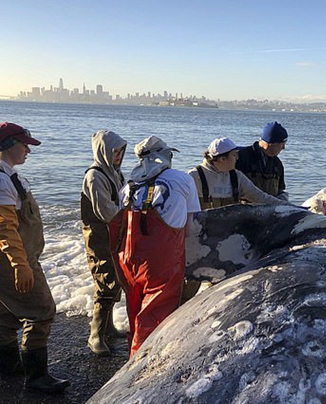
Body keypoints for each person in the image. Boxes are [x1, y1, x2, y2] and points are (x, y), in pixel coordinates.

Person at [108, 136, 200, 358]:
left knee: (135, 309)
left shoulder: (128, 186)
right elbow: (190, 227)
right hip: (162, 260)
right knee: (155, 315)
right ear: (166, 156)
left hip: (128, 259)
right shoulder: (182, 179)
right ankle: (142, 365)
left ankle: (132, 352)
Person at [0, 122, 69, 393]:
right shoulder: (3, 180)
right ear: (7, 145)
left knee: (6, 315)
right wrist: (20, 264)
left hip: (14, 259)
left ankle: (7, 366)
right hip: (15, 261)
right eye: (24, 144)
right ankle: (37, 377)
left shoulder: (9, 175)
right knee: (42, 311)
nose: (28, 149)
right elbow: (5, 227)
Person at [182, 137, 288, 303]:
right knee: (187, 289)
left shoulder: (236, 177)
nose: (238, 159)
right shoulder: (193, 177)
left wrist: (287, 207)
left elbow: (260, 197)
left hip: (227, 244)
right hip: (198, 243)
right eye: (234, 156)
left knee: (223, 292)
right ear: (221, 159)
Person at [80, 130, 127, 356]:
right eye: (114, 152)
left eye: (120, 152)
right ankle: (95, 334)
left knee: (115, 279)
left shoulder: (115, 173)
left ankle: (108, 327)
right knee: (105, 279)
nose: (118, 156)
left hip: (114, 235)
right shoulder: (95, 176)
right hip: (99, 237)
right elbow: (107, 212)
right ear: (104, 151)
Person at [236, 121, 288, 201]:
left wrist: (283, 198)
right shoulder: (242, 157)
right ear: (271, 143)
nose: (283, 148)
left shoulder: (277, 164)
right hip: (246, 210)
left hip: (270, 210)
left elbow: (280, 190)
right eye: (282, 144)